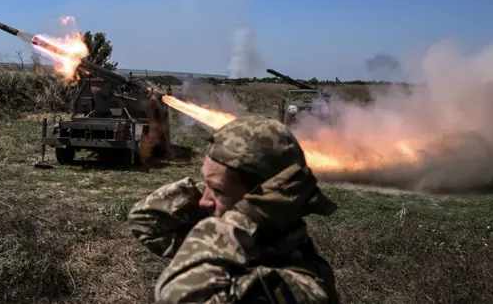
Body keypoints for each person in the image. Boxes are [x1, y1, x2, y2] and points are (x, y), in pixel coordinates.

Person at [127, 115, 341, 303]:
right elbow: (145, 220)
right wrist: (213, 186)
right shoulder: (246, 245)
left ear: (263, 199)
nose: (203, 201)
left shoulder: (302, 287)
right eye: (206, 185)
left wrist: (245, 216)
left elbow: (176, 296)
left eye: (218, 191)